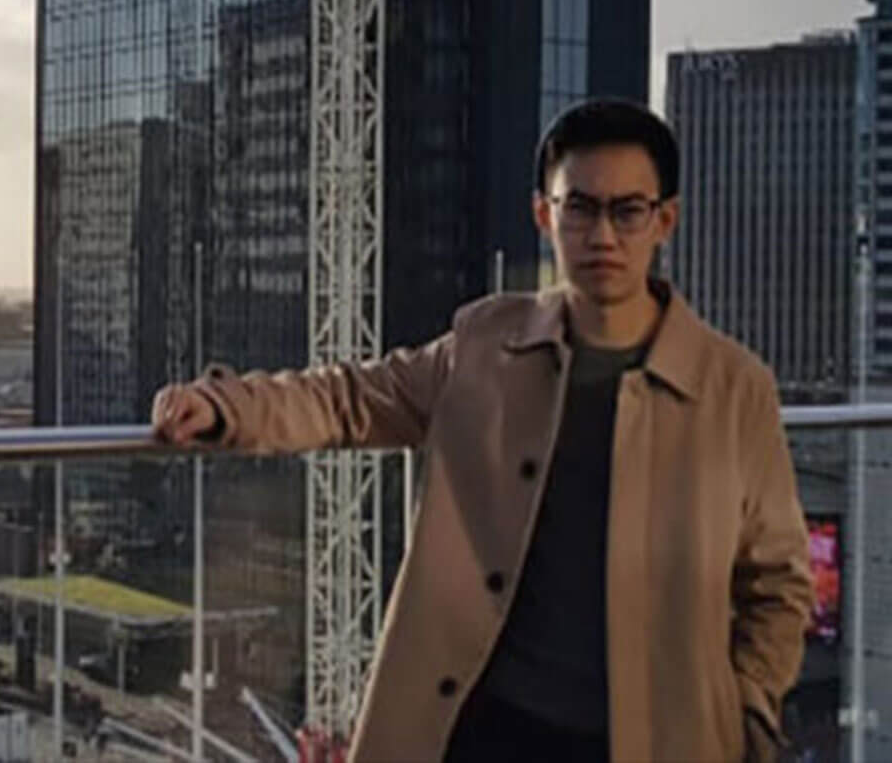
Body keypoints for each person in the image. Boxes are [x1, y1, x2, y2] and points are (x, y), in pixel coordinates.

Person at [152, 99, 811, 762]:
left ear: (664, 219)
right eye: (579, 207)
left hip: (656, 738)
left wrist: (747, 708)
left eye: (627, 210)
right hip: (481, 724)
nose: (602, 235)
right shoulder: (485, 345)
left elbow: (779, 584)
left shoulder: (734, 388)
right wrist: (223, 404)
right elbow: (349, 397)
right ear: (543, 214)